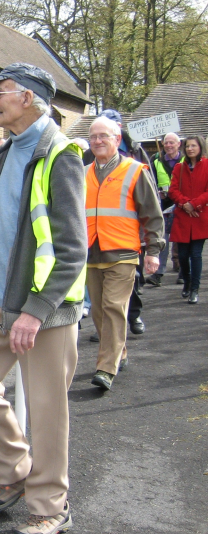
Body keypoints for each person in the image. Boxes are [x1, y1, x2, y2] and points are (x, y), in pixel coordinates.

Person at [0, 63, 86, 534]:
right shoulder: (7, 153)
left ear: (27, 98)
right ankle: (14, 468)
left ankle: (50, 505)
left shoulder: (61, 154)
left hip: (43, 309)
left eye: (0, 92)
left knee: (48, 410)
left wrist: (35, 309)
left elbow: (72, 251)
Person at [85, 117, 164, 391]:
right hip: (91, 253)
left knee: (114, 308)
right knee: (97, 311)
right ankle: (121, 351)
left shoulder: (134, 170)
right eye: (93, 136)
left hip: (123, 252)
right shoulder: (83, 173)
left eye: (103, 136)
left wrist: (153, 251)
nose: (97, 141)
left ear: (117, 140)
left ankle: (106, 368)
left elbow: (152, 215)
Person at [168, 135, 208, 304]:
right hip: (183, 217)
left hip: (199, 216)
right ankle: (187, 281)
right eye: (188, 146)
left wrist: (195, 204)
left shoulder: (207, 165)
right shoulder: (179, 168)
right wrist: (185, 204)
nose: (190, 148)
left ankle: (194, 289)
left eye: (193, 146)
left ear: (200, 147)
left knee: (196, 254)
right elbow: (173, 190)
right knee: (182, 255)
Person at [147, 132, 184, 286]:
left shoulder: (185, 159)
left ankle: (183, 272)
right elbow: (151, 180)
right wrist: (157, 194)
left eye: (172, 143)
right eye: (166, 143)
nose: (168, 145)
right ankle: (158, 273)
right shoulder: (156, 159)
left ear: (178, 144)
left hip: (182, 204)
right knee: (163, 240)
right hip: (163, 204)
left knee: (182, 240)